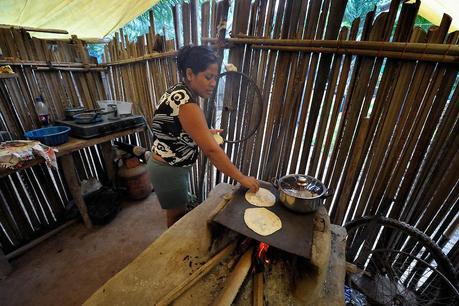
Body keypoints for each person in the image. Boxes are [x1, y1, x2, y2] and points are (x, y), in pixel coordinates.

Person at [148, 45, 260, 227]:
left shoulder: (177, 91)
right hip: (169, 170)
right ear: (190, 74)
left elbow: (172, 127)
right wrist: (241, 178)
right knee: (175, 220)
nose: (213, 83)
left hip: (166, 166)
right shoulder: (188, 105)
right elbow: (211, 150)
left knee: (178, 214)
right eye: (208, 77)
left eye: (215, 78)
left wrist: (203, 133)